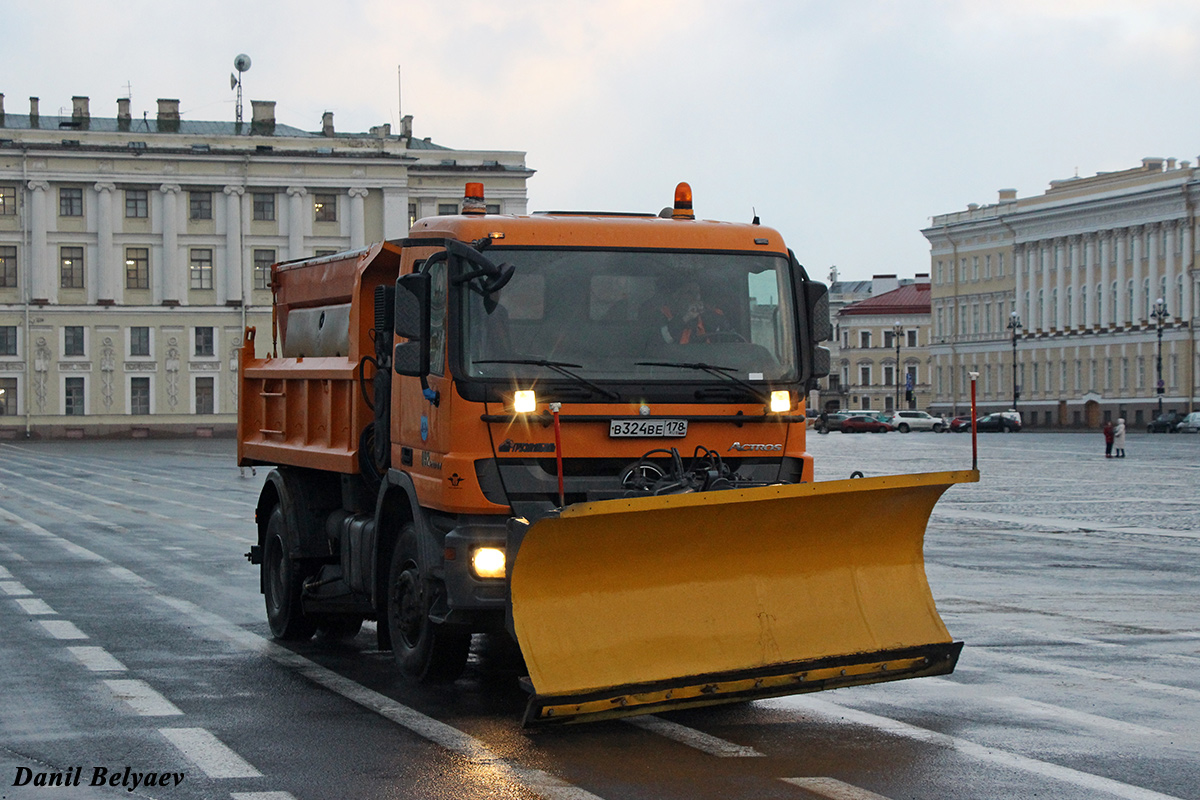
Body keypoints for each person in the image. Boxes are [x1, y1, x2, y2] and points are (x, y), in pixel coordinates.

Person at [654, 279, 730, 344]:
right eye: (689, 292)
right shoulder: (662, 314)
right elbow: (662, 341)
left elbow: (726, 340)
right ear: (677, 296)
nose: (695, 296)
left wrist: (706, 315)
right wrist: (686, 318)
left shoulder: (714, 314)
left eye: (697, 292)